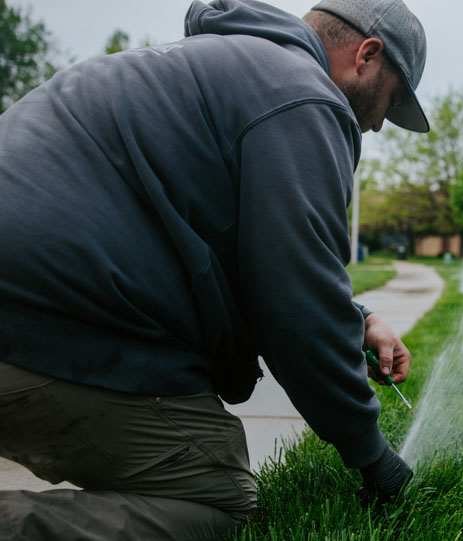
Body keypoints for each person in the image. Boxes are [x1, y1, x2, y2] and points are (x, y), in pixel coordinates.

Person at [0, 0, 428, 538]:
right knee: (216, 497)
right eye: (389, 104)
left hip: (33, 291)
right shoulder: (304, 97)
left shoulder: (229, 64)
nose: (378, 125)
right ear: (366, 55)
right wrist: (374, 457)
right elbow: (296, 310)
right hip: (35, 314)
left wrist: (356, 318)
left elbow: (254, 257)